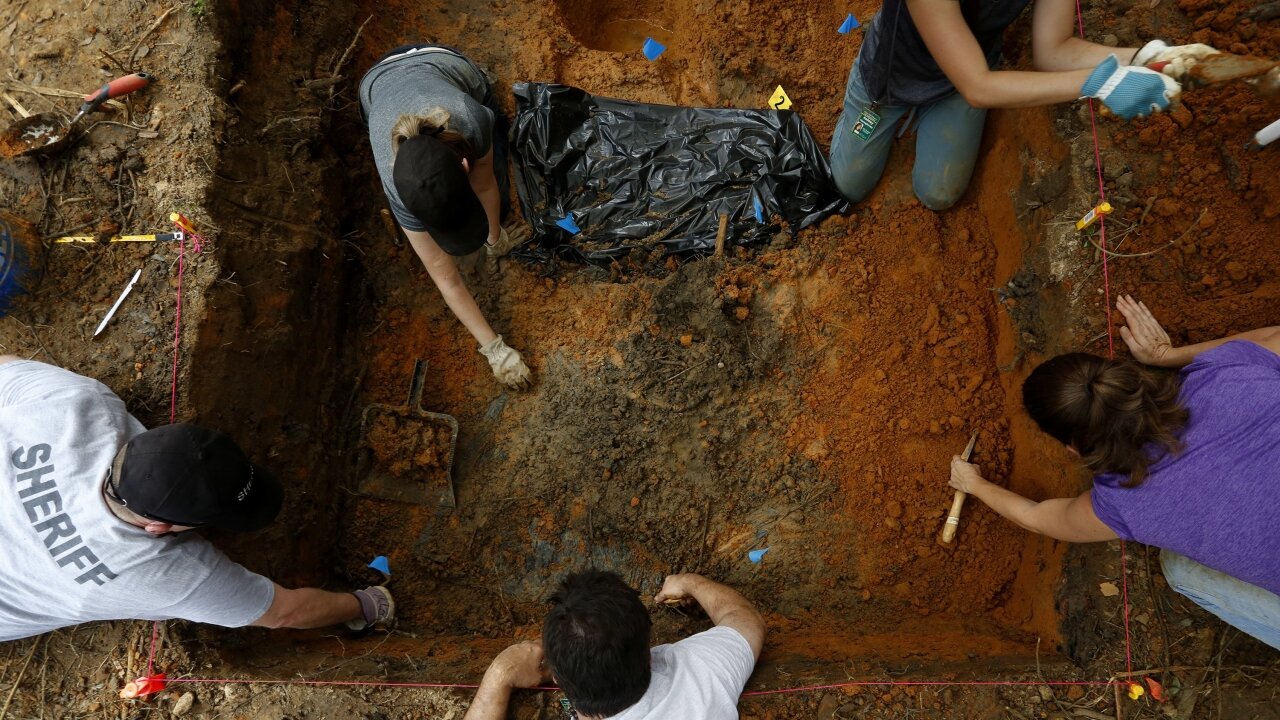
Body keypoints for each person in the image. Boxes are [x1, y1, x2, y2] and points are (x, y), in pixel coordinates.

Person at [949, 296, 1280, 649]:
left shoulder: (1126, 501)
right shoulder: (1226, 374)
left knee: (1181, 571)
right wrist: (1166, 356)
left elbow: (1038, 516)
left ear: (1074, 449)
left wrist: (974, 483)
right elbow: (1273, 336)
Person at [0, 356, 394, 641]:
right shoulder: (157, 574)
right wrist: (365, 604)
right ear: (160, 528)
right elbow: (285, 612)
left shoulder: (71, 403)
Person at [829, 0, 1221, 210]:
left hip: (964, 74)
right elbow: (978, 88)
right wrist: (1102, 83)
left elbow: (1055, 50)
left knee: (938, 195)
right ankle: (868, 104)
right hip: (891, 79)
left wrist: (1142, 57)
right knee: (849, 185)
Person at [359, 44, 532, 389]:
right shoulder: (399, 190)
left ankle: (485, 78)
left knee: (495, 146)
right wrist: (494, 349)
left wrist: (495, 239)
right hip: (374, 84)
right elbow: (446, 279)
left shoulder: (469, 117)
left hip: (441, 61)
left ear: (463, 164)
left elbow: (485, 187)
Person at [464, 570, 765, 719]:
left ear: (554, 677)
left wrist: (499, 676)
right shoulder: (700, 676)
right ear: (649, 653)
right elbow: (746, 621)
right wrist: (689, 582)